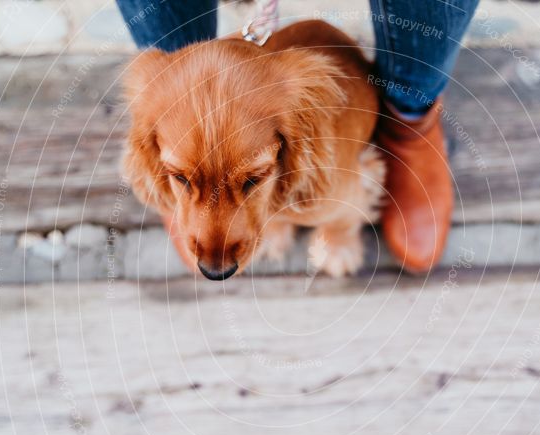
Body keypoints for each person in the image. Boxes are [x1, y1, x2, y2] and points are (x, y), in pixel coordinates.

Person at [115, 0, 479, 272]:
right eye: (181, 178)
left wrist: (337, 229)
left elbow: (334, 190)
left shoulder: (307, 145)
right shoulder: (154, 105)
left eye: (251, 179)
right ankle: (186, 55)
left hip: (317, 133)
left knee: (329, 200)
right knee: (179, 62)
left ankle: (408, 117)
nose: (213, 258)